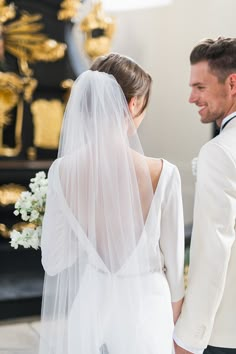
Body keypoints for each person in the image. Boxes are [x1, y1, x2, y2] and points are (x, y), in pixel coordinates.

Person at [39, 53, 185, 354]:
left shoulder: (62, 172)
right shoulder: (164, 173)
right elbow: (175, 267)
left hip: (90, 309)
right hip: (147, 312)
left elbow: (53, 260)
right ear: (133, 105)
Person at [174, 37, 236, 354]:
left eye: (200, 87)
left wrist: (188, 337)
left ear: (233, 83)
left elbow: (212, 250)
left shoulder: (220, 152)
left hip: (226, 330)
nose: (191, 97)